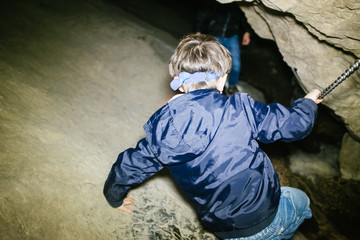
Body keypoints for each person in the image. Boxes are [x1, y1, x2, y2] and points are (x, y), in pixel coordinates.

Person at [103, 33, 322, 239]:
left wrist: (114, 196)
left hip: (221, 226)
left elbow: (132, 164)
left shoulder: (164, 129)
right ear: (221, 80)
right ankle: (306, 230)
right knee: (301, 201)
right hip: (265, 214)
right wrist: (307, 103)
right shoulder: (241, 109)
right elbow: (295, 125)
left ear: (178, 81)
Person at [194, 1, 252, 96]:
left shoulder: (238, 4)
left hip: (232, 36)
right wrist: (197, 30)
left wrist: (247, 32)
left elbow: (245, 17)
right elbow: (202, 14)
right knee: (215, 62)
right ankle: (216, 85)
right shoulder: (216, 3)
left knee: (236, 65)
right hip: (216, 34)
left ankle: (232, 85)